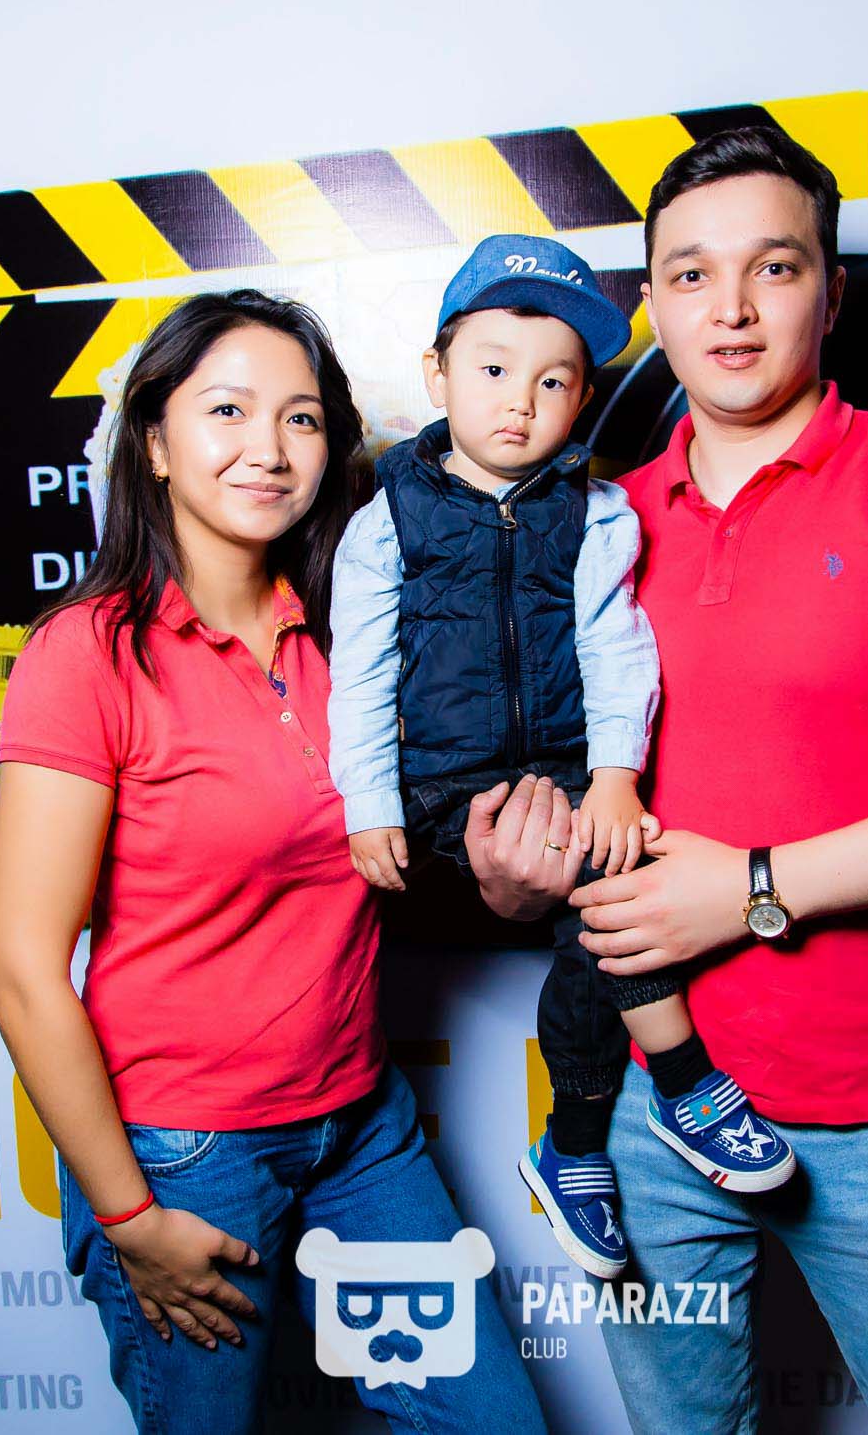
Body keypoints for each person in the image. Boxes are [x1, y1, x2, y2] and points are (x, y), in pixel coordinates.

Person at [469, 127, 868, 1434]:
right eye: (691, 275)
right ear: (653, 307)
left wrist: (754, 889)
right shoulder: (592, 524)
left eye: (773, 267)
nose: (732, 309)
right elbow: (553, 809)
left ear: (832, 291)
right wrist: (510, 871)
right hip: (640, 1106)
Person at [0, 289, 546, 1435]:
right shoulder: (89, 655)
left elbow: (398, 846)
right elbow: (23, 973)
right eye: (228, 410)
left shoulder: (355, 629)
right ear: (154, 441)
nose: (269, 449)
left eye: (301, 418)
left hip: (361, 1128)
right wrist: (130, 1217)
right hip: (184, 1155)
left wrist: (509, 873)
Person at [326, 233, 798, 1284]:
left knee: (622, 898)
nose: (519, 403)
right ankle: (683, 1079)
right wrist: (370, 803)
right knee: (600, 888)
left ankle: (576, 1140)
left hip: (571, 769)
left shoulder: (598, 513)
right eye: (493, 370)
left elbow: (616, 649)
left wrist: (618, 778)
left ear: (583, 398)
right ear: (438, 375)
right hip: (441, 786)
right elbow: (359, 670)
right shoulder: (387, 519)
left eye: (553, 382)